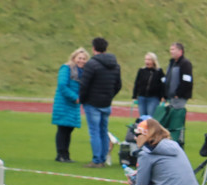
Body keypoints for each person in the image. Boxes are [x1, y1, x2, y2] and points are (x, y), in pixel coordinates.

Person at [77, 36, 122, 168]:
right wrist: (109, 96)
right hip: (106, 103)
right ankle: (102, 158)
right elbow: (118, 85)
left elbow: (84, 85)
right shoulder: (115, 65)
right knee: (103, 131)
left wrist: (83, 99)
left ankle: (97, 160)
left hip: (92, 103)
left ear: (93, 48)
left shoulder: (91, 64)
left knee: (94, 131)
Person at [52, 47, 88, 163]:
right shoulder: (66, 68)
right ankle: (60, 154)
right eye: (79, 58)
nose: (81, 60)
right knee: (63, 129)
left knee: (69, 129)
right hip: (64, 103)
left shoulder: (83, 72)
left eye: (84, 59)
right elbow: (62, 85)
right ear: (74, 58)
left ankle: (66, 154)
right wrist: (75, 97)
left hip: (73, 104)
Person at [132, 52, 165, 119]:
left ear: (153, 61)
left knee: (151, 118)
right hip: (142, 97)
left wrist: (163, 96)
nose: (147, 61)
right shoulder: (141, 70)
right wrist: (134, 96)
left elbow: (163, 85)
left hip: (153, 98)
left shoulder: (159, 72)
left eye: (149, 59)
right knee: (142, 118)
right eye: (146, 59)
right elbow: (137, 83)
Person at [164, 42, 193, 109]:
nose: (171, 51)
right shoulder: (172, 63)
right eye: (170, 49)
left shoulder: (185, 63)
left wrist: (178, 94)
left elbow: (187, 82)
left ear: (180, 51)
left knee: (175, 116)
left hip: (179, 97)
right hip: (170, 96)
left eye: (173, 49)